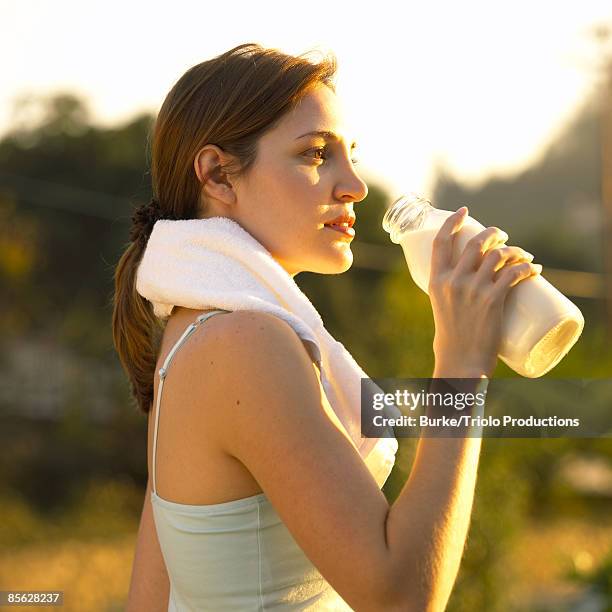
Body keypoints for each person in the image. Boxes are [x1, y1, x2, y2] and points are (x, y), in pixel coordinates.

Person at [112, 42, 541, 611]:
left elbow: (152, 598)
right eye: (316, 154)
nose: (355, 186)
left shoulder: (192, 338)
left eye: (350, 153)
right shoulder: (245, 343)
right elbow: (402, 598)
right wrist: (461, 365)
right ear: (218, 174)